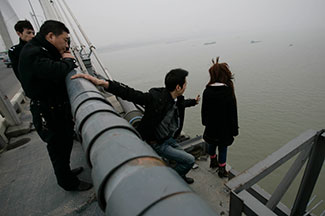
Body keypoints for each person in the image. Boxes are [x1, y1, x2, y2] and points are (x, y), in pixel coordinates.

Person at [71, 69, 200, 184]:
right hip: (158, 143)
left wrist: (194, 102)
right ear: (178, 87)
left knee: (182, 157)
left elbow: (181, 104)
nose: (186, 86)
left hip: (169, 139)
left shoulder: (177, 99)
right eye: (185, 83)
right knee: (189, 160)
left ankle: (180, 175)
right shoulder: (155, 98)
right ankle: (172, 180)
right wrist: (104, 83)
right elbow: (130, 93)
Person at [19, 20, 92, 191]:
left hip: (55, 108)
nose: (67, 44)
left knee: (65, 142)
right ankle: (67, 182)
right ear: (51, 36)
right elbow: (55, 70)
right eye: (65, 40)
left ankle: (66, 172)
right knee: (57, 147)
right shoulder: (33, 52)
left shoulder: (41, 50)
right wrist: (69, 60)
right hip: (46, 111)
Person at [201, 57, 239, 178]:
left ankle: (213, 161)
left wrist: (205, 122)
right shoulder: (228, 92)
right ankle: (222, 169)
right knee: (223, 148)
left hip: (211, 127)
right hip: (224, 128)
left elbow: (204, 111)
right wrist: (234, 130)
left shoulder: (207, 91)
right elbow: (233, 113)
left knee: (212, 144)